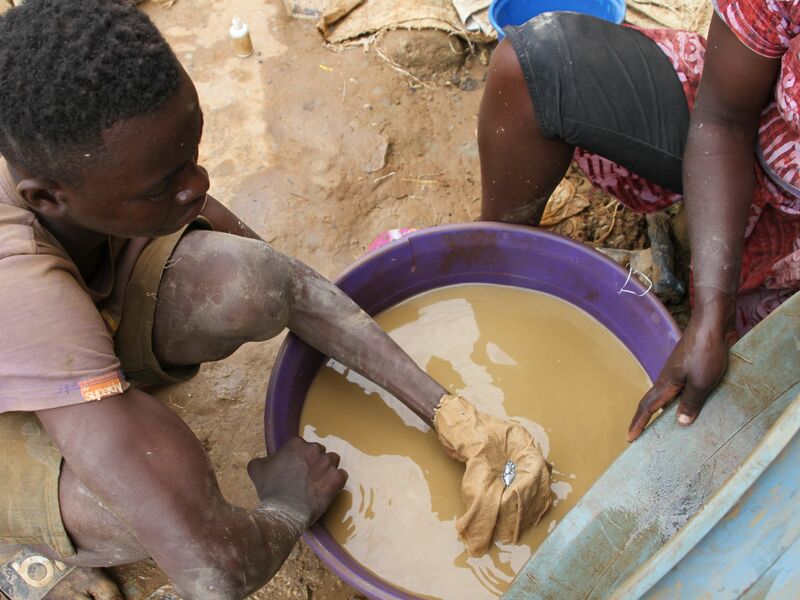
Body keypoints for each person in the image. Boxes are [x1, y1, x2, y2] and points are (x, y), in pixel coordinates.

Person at [0, 1, 461, 598]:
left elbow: (284, 284)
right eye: (162, 185)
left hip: (63, 303)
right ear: (46, 199)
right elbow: (213, 572)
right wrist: (287, 503)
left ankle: (95, 380)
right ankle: (18, 538)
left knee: (247, 285)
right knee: (127, 510)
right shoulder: (20, 284)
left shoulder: (73, 152)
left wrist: (446, 410)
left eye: (189, 153)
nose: (200, 184)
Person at [477, 2, 798, 441]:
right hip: (749, 134)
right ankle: (492, 280)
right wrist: (711, 311)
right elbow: (724, 120)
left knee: (750, 417)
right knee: (534, 68)